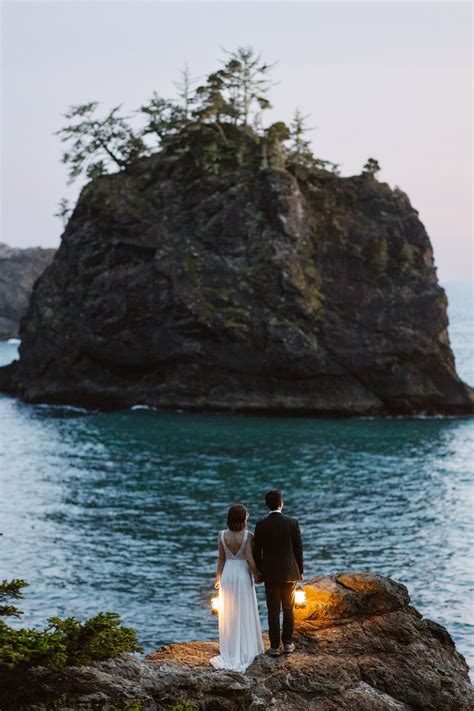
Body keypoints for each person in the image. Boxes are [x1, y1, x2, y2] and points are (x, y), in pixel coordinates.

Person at [210, 504, 264, 672]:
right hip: (242, 574)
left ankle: (230, 648)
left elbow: (221, 559)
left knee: (229, 611)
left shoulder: (222, 535)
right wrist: (257, 574)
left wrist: (218, 578)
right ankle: (246, 647)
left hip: (228, 574)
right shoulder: (248, 535)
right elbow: (249, 558)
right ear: (243, 518)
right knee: (244, 609)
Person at [253, 489, 304, 656]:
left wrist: (259, 573)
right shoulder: (292, 522)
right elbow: (298, 549)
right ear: (281, 503)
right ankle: (288, 643)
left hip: (269, 574)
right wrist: (300, 571)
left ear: (267, 504)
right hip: (289, 572)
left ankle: (274, 646)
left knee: (272, 609)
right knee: (289, 608)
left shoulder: (261, 525)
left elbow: (256, 552)